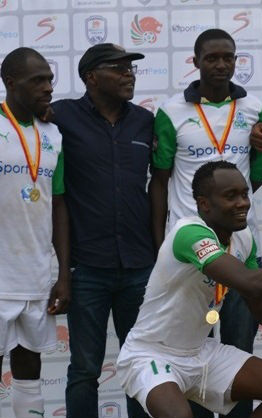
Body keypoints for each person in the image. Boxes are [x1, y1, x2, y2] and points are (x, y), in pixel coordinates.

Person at [116, 160, 262, 418]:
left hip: (201, 352)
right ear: (204, 204)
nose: (243, 203)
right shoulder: (189, 233)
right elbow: (252, 282)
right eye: (231, 196)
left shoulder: (243, 238)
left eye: (244, 194)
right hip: (152, 354)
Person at [149, 29, 262, 417]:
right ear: (196, 61)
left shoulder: (253, 108)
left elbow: (258, 173)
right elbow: (160, 180)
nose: (221, 65)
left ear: (236, 61)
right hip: (190, 250)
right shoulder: (171, 112)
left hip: (238, 245)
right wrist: (160, 242)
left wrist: (231, 208)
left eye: (228, 57)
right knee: (189, 350)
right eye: (212, 58)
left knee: (239, 351)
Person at [48, 43, 153, 418]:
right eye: (118, 68)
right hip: (87, 267)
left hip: (140, 265)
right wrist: (63, 273)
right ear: (91, 77)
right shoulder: (60, 116)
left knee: (141, 365)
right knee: (84, 370)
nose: (129, 75)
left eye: (131, 68)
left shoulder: (145, 121)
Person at [0, 47, 69, 418]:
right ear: (11, 83)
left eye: (49, 80)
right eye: (37, 80)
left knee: (29, 368)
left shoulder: (53, 134)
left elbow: (58, 205)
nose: (48, 87)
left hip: (36, 275)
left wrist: (63, 275)